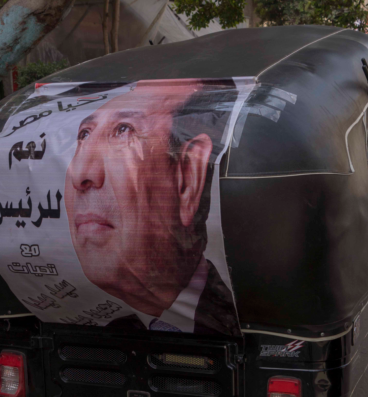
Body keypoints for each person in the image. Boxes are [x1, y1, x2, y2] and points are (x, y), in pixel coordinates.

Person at [66, 79, 239, 335]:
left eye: (123, 130)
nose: (79, 174)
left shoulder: (242, 317)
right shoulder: (104, 329)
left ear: (188, 177)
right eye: (84, 134)